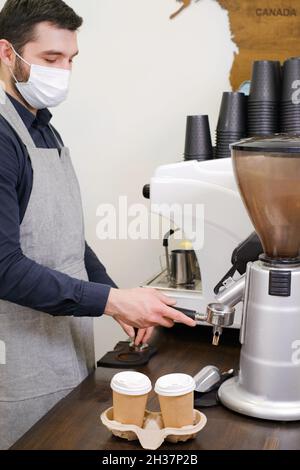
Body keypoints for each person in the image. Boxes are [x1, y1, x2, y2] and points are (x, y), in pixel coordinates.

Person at [0, 0, 196, 449]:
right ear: (7, 54)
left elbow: (63, 232)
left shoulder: (44, 128)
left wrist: (117, 295)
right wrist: (112, 301)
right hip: (19, 364)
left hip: (66, 347)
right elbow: (4, 267)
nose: (63, 71)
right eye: (51, 59)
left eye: (71, 60)